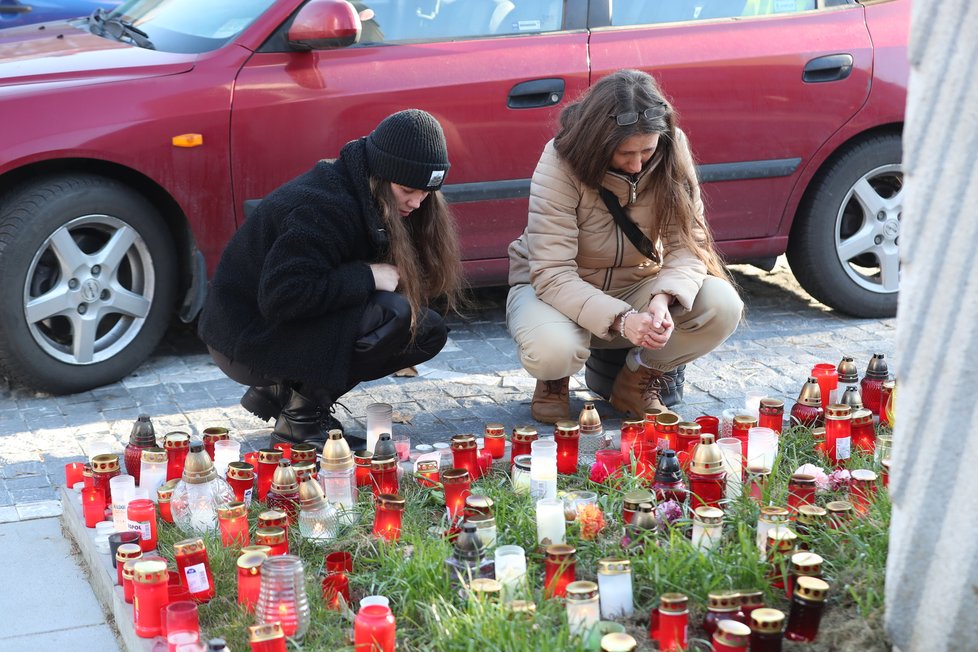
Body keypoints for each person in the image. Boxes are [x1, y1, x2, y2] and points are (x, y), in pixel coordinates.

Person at [197, 109, 464, 450]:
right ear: (380, 176)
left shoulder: (376, 196)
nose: (417, 201)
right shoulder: (324, 206)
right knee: (392, 314)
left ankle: (286, 395)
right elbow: (285, 295)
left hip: (278, 328)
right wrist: (368, 276)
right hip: (245, 339)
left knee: (427, 332)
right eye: (407, 189)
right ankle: (300, 420)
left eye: (427, 192)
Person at [506, 69, 743, 424]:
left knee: (722, 305)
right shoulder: (559, 160)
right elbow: (552, 273)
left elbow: (688, 245)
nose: (636, 164)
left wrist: (664, 299)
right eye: (624, 153)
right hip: (555, 291)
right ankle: (554, 380)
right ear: (597, 142)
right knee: (553, 350)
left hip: (639, 282)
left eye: (646, 151)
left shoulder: (672, 145)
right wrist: (623, 319)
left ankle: (637, 376)